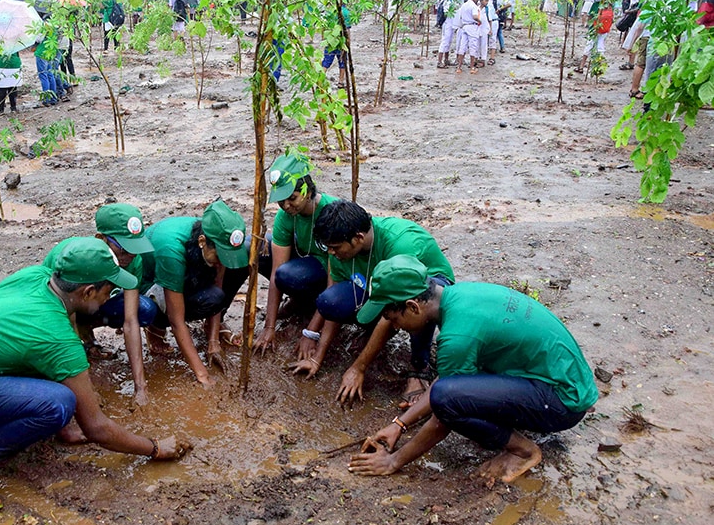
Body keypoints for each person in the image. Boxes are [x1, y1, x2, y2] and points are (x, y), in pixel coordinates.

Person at [0, 237, 189, 513]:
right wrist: (153, 447)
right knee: (58, 404)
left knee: (46, 380)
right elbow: (97, 429)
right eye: (109, 290)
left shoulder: (35, 276)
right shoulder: (56, 337)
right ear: (88, 292)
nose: (109, 297)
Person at [348, 256, 598, 483]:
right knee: (449, 390)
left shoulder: (457, 336)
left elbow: (444, 409)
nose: (395, 326)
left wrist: (394, 460)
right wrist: (399, 425)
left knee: (447, 400)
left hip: (563, 403)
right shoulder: (459, 294)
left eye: (393, 318)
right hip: (567, 381)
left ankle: (523, 451)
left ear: (413, 307)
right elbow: (451, 379)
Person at [290, 200, 455, 408]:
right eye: (327, 248)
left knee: (416, 305)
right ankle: (370, 330)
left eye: (334, 248)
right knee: (329, 301)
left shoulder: (401, 244)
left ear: (358, 238)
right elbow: (332, 298)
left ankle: (419, 369)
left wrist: (358, 368)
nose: (331, 253)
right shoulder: (339, 247)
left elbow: (401, 303)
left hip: (425, 287)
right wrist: (317, 357)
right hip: (376, 285)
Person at [42, 204, 158, 406]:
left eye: (135, 248)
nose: (130, 256)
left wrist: (141, 388)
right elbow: (64, 319)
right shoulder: (72, 257)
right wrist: (87, 390)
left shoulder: (133, 261)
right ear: (101, 239)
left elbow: (130, 321)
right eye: (124, 249)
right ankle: (86, 340)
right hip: (59, 312)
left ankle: (88, 331)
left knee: (144, 309)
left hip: (95, 304)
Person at [140, 200, 249, 388]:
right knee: (152, 309)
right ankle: (155, 328)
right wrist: (202, 374)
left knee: (217, 293)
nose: (222, 262)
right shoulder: (171, 251)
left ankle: (210, 328)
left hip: (188, 271)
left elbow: (218, 285)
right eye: (220, 257)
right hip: (151, 283)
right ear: (202, 242)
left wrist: (213, 342)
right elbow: (176, 320)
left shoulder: (216, 234)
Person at [254, 153, 340, 355]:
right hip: (303, 264)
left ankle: (311, 307)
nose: (286, 206)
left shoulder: (330, 213)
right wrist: (269, 327)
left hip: (332, 273)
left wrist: (312, 332)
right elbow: (276, 272)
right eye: (280, 201)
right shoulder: (285, 216)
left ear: (308, 191)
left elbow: (334, 279)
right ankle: (299, 302)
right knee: (256, 248)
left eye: (292, 198)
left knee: (290, 275)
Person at [454, 0, 482, 74]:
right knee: (473, 47)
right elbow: (475, 16)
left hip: (464, 27)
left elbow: (460, 17)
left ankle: (459, 67)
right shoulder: (473, 6)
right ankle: (472, 67)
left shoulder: (464, 5)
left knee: (462, 47)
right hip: (472, 27)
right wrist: (479, 21)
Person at [435, 0, 457, 69]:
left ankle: (446, 59)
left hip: (451, 23)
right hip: (447, 23)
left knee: (449, 41)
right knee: (445, 41)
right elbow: (445, 12)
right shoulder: (448, 0)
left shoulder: (451, 0)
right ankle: (439, 61)